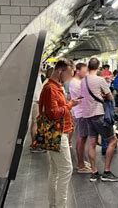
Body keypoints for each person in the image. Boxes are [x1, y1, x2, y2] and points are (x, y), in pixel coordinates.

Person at [39, 59, 81, 208]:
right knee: (66, 169)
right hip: (57, 132)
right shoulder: (51, 88)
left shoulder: (53, 87)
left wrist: (68, 104)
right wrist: (70, 105)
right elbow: (53, 113)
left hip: (53, 131)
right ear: (60, 71)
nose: (70, 77)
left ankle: (54, 204)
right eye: (69, 74)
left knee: (56, 170)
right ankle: (60, 205)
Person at [80, 57, 118, 182]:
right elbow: (109, 96)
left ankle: (94, 172)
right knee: (112, 140)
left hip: (87, 115)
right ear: (98, 67)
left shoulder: (83, 81)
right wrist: (104, 96)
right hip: (99, 114)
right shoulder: (100, 80)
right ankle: (107, 172)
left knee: (92, 143)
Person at [69, 62, 92, 173]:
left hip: (81, 112)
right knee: (81, 138)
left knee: (82, 138)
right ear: (78, 71)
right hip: (81, 113)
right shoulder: (76, 83)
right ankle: (80, 165)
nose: (86, 73)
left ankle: (81, 161)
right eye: (85, 71)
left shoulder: (78, 82)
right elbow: (85, 97)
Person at [29, 69, 44, 153]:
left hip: (35, 101)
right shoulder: (36, 76)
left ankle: (33, 143)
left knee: (34, 124)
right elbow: (37, 91)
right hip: (36, 101)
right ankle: (35, 145)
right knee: (36, 124)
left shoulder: (35, 75)